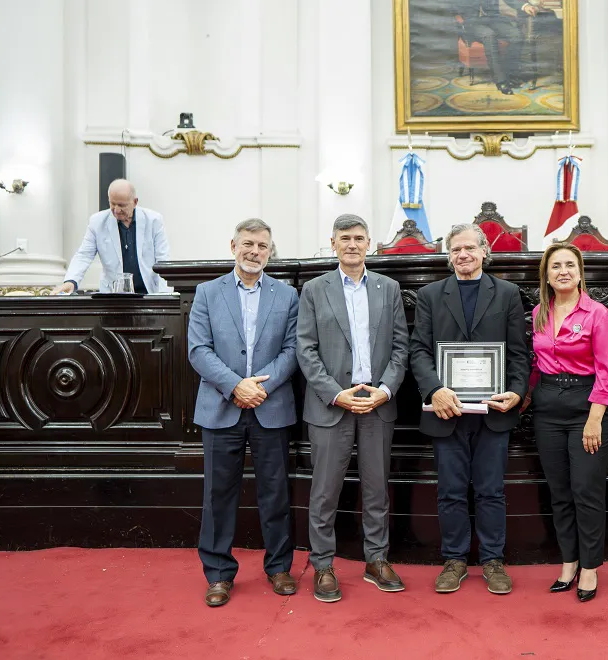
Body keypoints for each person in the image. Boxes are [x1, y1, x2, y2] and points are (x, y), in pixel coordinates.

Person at [410, 223, 530, 595]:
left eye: (469, 248)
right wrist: (435, 390)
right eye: (456, 249)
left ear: (483, 251)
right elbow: (419, 350)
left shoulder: (508, 293)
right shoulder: (429, 295)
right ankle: (455, 560)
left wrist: (515, 391)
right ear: (448, 255)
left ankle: (493, 560)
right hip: (447, 411)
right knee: (450, 490)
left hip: (494, 412)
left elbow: (518, 353)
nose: (463, 255)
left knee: (492, 490)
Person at [296, 214, 410, 604]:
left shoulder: (388, 287)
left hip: (377, 403)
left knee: (377, 489)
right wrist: (334, 393)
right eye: (344, 238)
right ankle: (324, 564)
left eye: (359, 238)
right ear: (333, 243)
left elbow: (400, 347)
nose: (352, 244)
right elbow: (305, 350)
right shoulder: (314, 289)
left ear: (369, 244)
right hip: (331, 405)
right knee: (325, 492)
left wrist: (386, 390)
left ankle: (376, 560)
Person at [187, 218, 300, 607]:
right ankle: (218, 574)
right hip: (221, 406)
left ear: (271, 251)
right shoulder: (206, 292)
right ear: (232, 245)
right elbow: (199, 350)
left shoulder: (286, 295)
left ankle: (280, 567)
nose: (255, 252)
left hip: (271, 406)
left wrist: (261, 387)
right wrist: (236, 385)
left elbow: (292, 351)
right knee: (218, 495)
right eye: (248, 244)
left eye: (263, 246)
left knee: (276, 493)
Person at [524, 243, 608, 602]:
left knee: (586, 491)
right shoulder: (538, 313)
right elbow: (536, 364)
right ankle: (569, 560)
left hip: (587, 409)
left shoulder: (597, 314)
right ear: (546, 275)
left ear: (580, 272)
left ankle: (590, 567)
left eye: (569, 265)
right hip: (548, 409)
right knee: (560, 492)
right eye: (555, 266)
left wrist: (594, 420)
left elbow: (607, 372)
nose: (563, 271)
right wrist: (525, 398)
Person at [52, 179, 171, 294]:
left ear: (135, 202)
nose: (116, 210)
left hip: (148, 292)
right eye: (112, 204)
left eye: (121, 205)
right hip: (113, 294)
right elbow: (84, 255)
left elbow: (162, 259)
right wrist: (71, 281)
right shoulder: (97, 222)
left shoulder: (154, 220)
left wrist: (164, 295)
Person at [454, 0, 528, 95]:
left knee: (517, 35)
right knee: (489, 35)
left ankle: (509, 74)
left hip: (493, 20)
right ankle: (501, 81)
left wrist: (525, 6)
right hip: (473, 23)